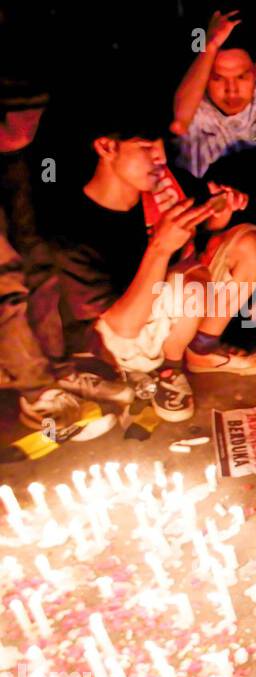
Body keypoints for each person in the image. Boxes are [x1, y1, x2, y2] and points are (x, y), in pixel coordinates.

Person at [50, 97, 256, 425]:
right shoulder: (71, 230)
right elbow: (122, 327)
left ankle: (201, 348)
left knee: (251, 242)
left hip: (176, 301)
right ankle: (167, 369)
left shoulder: (164, 183)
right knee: (188, 286)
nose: (160, 156)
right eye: (145, 146)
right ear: (106, 147)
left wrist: (220, 212)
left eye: (160, 144)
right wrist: (159, 247)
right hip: (127, 335)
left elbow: (204, 229)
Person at [1, 69, 121, 443]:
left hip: (10, 155)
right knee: (4, 281)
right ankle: (38, 394)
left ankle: (57, 369)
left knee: (36, 256)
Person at [171, 9, 256, 228]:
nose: (231, 90)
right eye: (218, 78)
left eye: (241, 77)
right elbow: (179, 122)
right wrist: (209, 45)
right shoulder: (193, 107)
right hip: (203, 216)